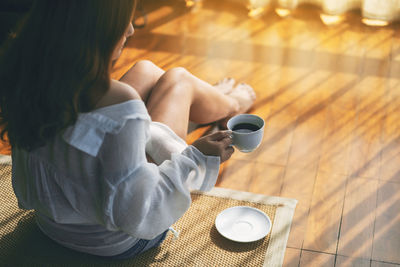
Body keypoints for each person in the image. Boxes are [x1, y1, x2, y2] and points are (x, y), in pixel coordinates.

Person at [0, 0, 256, 259]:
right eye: (124, 22)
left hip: (52, 223)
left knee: (146, 69)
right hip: (114, 241)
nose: (131, 30)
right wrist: (196, 155)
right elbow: (138, 213)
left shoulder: (26, 73)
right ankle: (232, 104)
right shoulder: (121, 102)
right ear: (97, 30)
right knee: (178, 80)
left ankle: (213, 100)